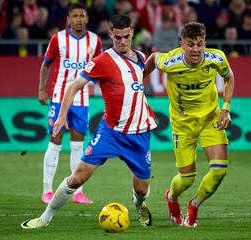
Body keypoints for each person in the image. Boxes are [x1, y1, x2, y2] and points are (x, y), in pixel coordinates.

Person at [21, 14, 157, 230]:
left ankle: (139, 205)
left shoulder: (140, 57)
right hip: (111, 133)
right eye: (117, 37)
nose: (122, 42)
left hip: (139, 133)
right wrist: (62, 115)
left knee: (142, 189)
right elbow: (73, 86)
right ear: (111, 34)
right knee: (78, 178)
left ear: (132, 32)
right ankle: (44, 218)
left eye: (126, 37)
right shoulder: (102, 61)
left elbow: (141, 75)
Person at [144, 22, 235, 228]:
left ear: (205, 44)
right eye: (190, 44)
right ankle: (172, 198)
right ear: (182, 44)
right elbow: (153, 58)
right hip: (182, 125)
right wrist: (138, 81)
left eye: (200, 44)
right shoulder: (171, 61)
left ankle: (195, 204)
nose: (195, 49)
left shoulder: (216, 58)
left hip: (210, 119)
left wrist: (226, 108)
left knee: (219, 170)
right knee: (186, 179)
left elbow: (229, 77)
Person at [38, 2, 102, 205]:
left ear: (87, 18)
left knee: (78, 146)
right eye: (74, 16)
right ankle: (47, 190)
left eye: (81, 15)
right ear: (68, 19)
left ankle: (78, 192)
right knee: (54, 142)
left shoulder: (95, 41)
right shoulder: (58, 39)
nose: (78, 19)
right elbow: (46, 64)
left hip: (82, 100)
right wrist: (41, 89)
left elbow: (100, 68)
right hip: (58, 98)